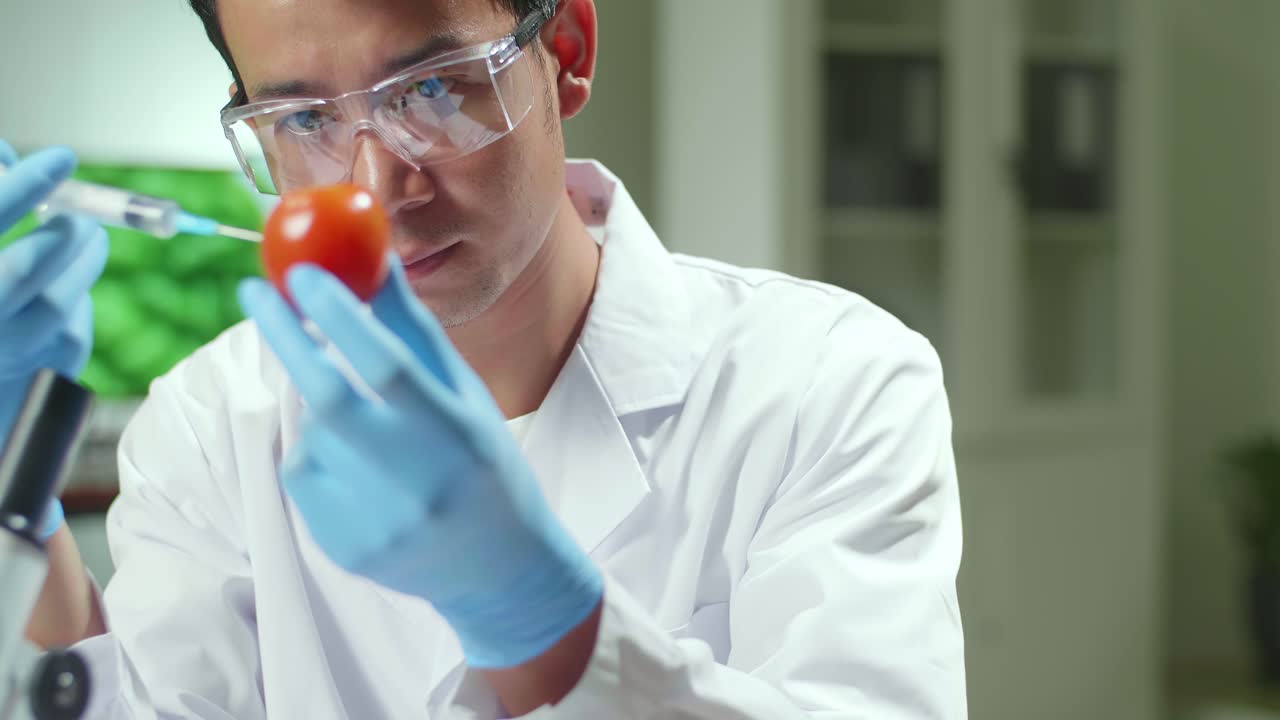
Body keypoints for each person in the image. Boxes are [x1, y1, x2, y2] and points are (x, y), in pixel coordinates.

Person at [2, 0, 967, 716]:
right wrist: (14, 494)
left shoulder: (830, 381)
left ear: (569, 53)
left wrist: (541, 618)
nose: (378, 184)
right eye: (304, 121)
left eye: (431, 88)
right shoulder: (214, 419)